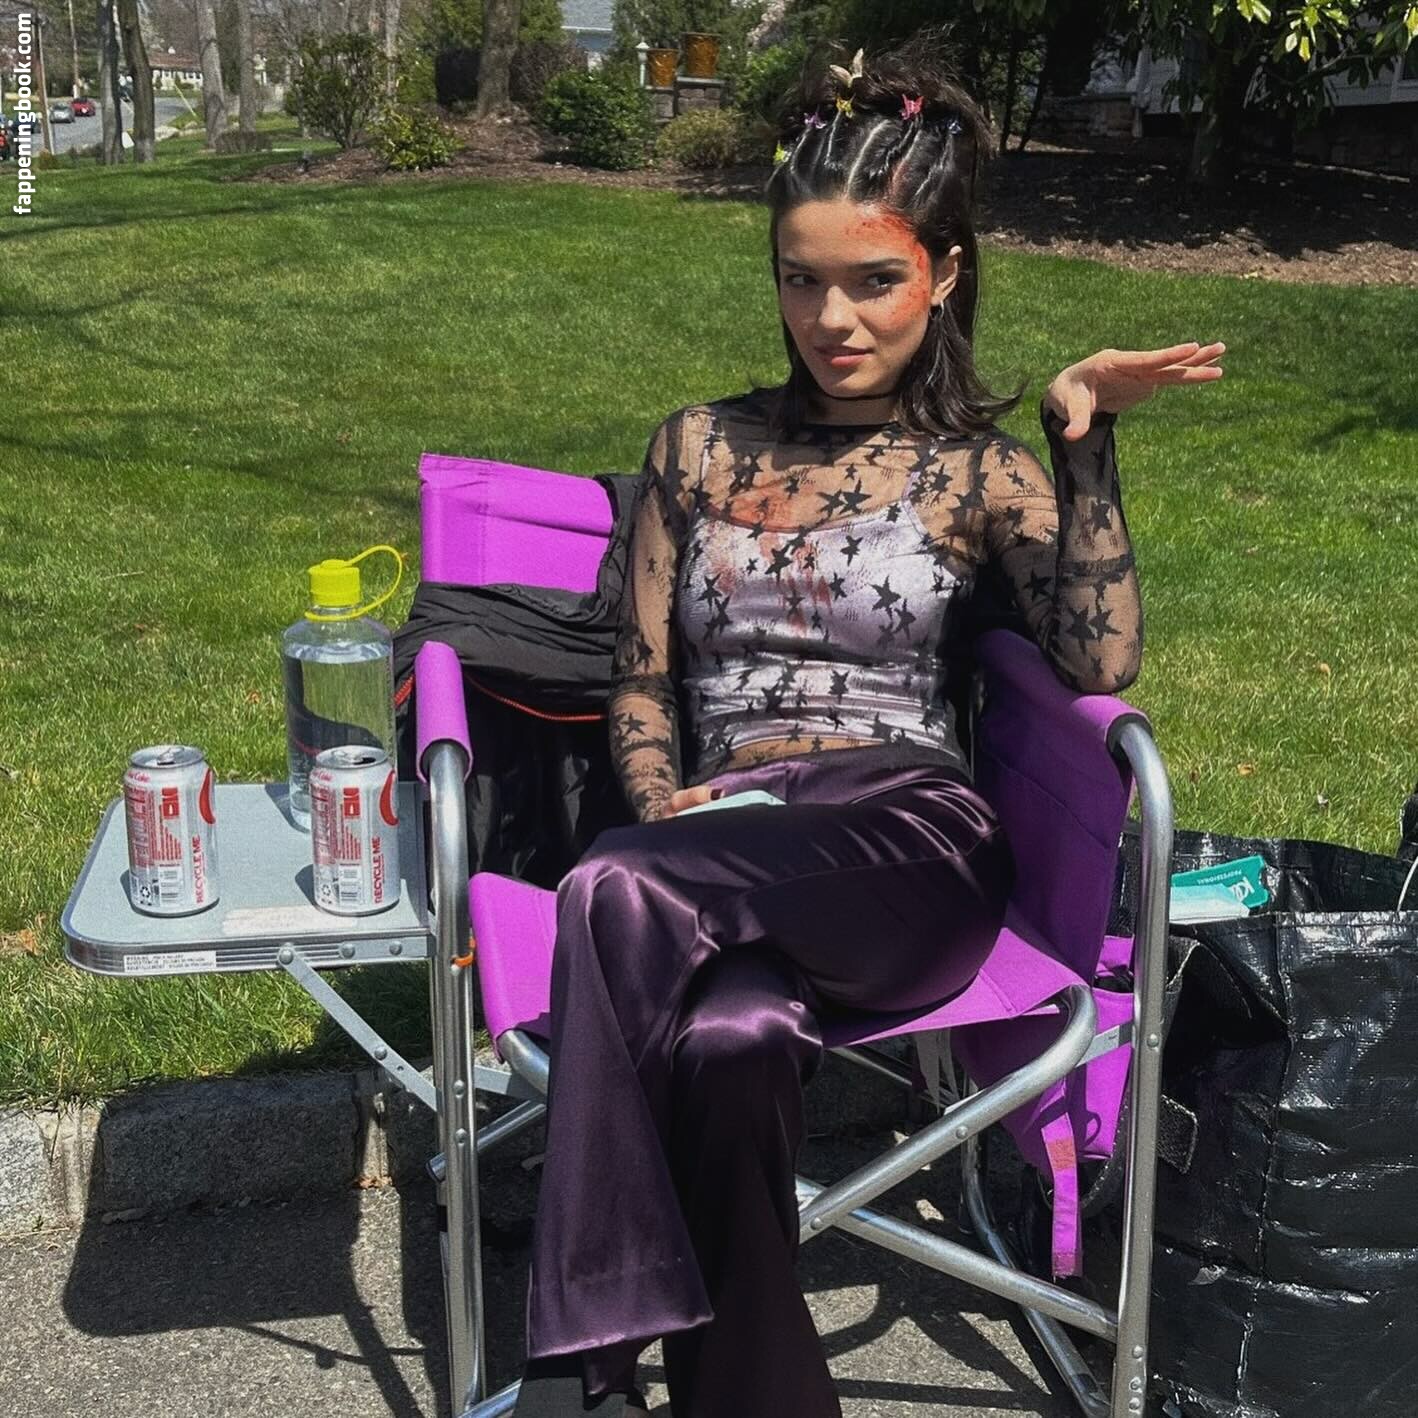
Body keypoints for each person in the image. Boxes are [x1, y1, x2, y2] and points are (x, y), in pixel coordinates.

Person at [510, 31, 1224, 1418]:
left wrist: (1082, 441)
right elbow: (642, 678)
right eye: (801, 278)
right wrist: (662, 809)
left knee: (608, 890)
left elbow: (1101, 656)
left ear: (943, 274)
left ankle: (574, 1368)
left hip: (907, 842)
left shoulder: (977, 469)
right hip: (719, 844)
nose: (831, 317)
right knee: (726, 1041)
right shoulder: (695, 446)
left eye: (873, 280)